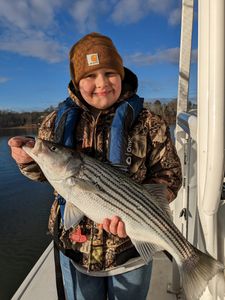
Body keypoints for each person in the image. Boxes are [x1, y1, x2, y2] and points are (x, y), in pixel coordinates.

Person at [8, 32, 182, 300]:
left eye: (109, 73)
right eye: (90, 76)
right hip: (75, 248)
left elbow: (169, 175)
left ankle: (191, 261)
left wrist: (138, 206)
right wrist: (29, 161)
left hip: (129, 248)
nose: (101, 83)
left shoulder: (150, 123)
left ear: (122, 75)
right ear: (77, 82)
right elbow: (46, 173)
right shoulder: (55, 123)